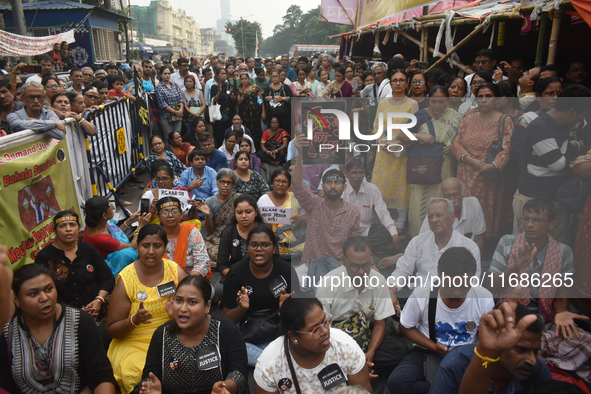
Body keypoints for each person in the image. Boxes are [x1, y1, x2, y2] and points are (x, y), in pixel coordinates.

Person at [387, 247, 494, 394]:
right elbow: (405, 326)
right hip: (428, 352)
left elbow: (486, 340)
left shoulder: (484, 298)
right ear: (439, 273)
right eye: (451, 285)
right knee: (398, 381)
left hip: (467, 355)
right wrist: (433, 346)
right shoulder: (423, 294)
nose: (457, 292)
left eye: (464, 286)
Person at [0, 264, 117, 393]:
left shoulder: (81, 322)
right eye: (33, 294)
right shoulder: (6, 334)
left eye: (49, 289)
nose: (44, 298)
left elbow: (101, 377)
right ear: (16, 299)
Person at [106, 224, 187, 393]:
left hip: (172, 336)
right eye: (145, 246)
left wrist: (175, 316)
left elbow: (196, 312)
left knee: (184, 367)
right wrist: (134, 320)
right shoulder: (127, 278)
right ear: (137, 247)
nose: (151, 252)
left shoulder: (175, 271)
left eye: (157, 246)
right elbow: (112, 330)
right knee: (136, 372)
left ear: (165, 247)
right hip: (134, 342)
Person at [487, 199, 584, 336]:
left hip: (545, 319)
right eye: (526, 219)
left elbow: (562, 293)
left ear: (551, 224)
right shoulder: (507, 242)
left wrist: (561, 314)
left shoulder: (564, 252)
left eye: (537, 220)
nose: (529, 225)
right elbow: (491, 286)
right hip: (510, 315)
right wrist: (516, 267)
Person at [138, 276, 248, 394]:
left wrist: (225, 387)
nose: (183, 308)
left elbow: (239, 373)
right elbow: (149, 377)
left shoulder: (226, 329)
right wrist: (150, 388)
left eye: (192, 302)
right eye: (179, 300)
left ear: (207, 306)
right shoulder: (162, 334)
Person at [317, 236, 405, 375]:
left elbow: (379, 323)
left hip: (366, 334)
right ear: (343, 261)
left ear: (372, 258)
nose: (361, 272)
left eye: (366, 265)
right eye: (355, 266)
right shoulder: (327, 284)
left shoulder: (379, 280)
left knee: (400, 351)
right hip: (337, 338)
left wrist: (371, 352)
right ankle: (359, 369)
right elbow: (324, 329)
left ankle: (359, 367)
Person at [514, 84, 591, 244]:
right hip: (535, 197)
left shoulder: (563, 124)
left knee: (557, 249)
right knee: (533, 250)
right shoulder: (540, 127)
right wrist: (582, 161)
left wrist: (576, 147)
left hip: (556, 197)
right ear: (572, 112)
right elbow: (557, 164)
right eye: (581, 115)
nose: (580, 120)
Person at [254, 296, 372, 393]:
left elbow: (363, 391)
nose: (325, 331)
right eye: (315, 329)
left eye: (325, 321)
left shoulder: (345, 347)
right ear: (294, 337)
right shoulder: (270, 365)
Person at [430, 301, 551, 394]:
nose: (532, 360)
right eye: (521, 350)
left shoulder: (539, 372)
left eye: (535, 351)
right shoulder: (455, 366)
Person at [383, 198, 481, 309]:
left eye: (439, 215)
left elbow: (473, 283)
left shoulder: (469, 247)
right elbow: (402, 271)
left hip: (454, 301)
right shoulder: (417, 242)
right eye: (430, 216)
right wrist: (390, 289)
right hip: (418, 298)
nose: (434, 220)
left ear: (452, 218)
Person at [223, 224, 292, 366]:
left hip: (277, 329)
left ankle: (267, 361)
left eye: (265, 245)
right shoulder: (235, 272)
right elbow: (228, 318)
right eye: (253, 245)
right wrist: (242, 308)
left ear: (274, 248)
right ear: (247, 248)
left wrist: (286, 307)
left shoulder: (286, 270)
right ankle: (278, 363)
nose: (259, 249)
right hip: (247, 332)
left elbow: (299, 315)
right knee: (227, 343)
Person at [453, 82, 514, 239]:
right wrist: (469, 159)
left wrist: (492, 166)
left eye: (489, 96)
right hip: (465, 172)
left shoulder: (505, 121)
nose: (484, 100)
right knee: (463, 207)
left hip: (488, 175)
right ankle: (460, 239)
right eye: (480, 97)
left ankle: (482, 243)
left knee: (483, 209)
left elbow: (506, 150)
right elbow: (456, 143)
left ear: (496, 99)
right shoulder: (468, 119)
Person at [292, 136, 361, 269]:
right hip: (310, 265)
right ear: (322, 187)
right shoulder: (314, 205)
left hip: (340, 267)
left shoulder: (352, 211)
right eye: (329, 182)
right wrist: (300, 154)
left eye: (337, 182)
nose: (333, 186)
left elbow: (355, 243)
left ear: (344, 187)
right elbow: (297, 185)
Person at [35, 210, 115, 319]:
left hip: (97, 305)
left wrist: (98, 300)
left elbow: (108, 278)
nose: (68, 229)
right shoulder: (45, 257)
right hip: (63, 312)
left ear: (79, 228)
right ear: (55, 231)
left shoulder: (88, 249)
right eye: (62, 226)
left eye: (72, 225)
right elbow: (44, 291)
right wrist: (75, 313)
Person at [406, 86, 462, 237]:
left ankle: (443, 239)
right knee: (420, 207)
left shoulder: (454, 116)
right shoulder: (421, 115)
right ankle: (419, 240)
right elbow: (401, 134)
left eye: (441, 102)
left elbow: (461, 138)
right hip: (424, 167)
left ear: (447, 101)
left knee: (442, 203)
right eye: (434, 101)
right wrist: (419, 136)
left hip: (445, 166)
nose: (437, 105)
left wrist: (454, 146)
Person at [371, 70, 419, 234]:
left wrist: (397, 143)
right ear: (390, 83)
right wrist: (380, 141)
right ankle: (382, 225)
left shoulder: (412, 104)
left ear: (407, 83)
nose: (398, 83)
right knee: (381, 187)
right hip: (383, 153)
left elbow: (412, 129)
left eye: (401, 80)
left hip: (401, 153)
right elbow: (376, 126)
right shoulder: (383, 103)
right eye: (394, 80)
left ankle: (400, 226)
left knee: (401, 187)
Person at [343, 159, 401, 253]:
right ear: (346, 174)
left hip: (367, 230)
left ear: (364, 173)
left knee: (388, 233)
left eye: (361, 173)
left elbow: (383, 213)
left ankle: (356, 247)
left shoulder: (372, 189)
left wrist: (395, 235)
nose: (358, 176)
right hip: (346, 232)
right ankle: (373, 248)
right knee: (338, 238)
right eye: (354, 173)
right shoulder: (341, 189)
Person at [83, 196, 150, 276]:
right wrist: (141, 226)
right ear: (104, 216)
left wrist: (129, 221)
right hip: (108, 266)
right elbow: (132, 246)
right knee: (127, 254)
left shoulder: (95, 224)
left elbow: (116, 232)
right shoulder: (101, 239)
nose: (113, 210)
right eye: (110, 209)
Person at [419, 177, 486, 253]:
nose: (452, 200)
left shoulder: (474, 205)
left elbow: (478, 238)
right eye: (448, 196)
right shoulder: (434, 212)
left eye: (455, 195)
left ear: (462, 194)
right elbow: (422, 240)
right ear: (442, 197)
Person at [217, 195, 264, 291]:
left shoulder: (265, 231)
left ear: (256, 212)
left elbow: (274, 258)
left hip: (261, 274)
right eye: (239, 212)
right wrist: (236, 277)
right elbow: (221, 265)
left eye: (248, 212)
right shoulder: (229, 233)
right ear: (234, 213)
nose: (243, 216)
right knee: (219, 289)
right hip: (236, 275)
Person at [156, 197, 211, 277]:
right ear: (158, 217)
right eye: (165, 212)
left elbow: (202, 261)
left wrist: (188, 282)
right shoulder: (155, 235)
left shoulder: (191, 231)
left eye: (174, 211)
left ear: (181, 214)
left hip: (192, 279)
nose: (170, 215)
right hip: (163, 281)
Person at [257, 169, 306, 257]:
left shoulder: (295, 198)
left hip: (296, 241)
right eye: (277, 181)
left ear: (288, 185)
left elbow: (308, 218)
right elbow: (261, 223)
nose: (280, 184)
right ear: (272, 183)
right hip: (270, 241)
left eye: (284, 182)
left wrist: (301, 219)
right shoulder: (263, 200)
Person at [200, 169, 240, 263]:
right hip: (216, 238)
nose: (225, 185)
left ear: (233, 185)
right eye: (222, 182)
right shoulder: (210, 201)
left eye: (229, 183)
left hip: (233, 237)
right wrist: (208, 216)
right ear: (217, 183)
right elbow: (210, 231)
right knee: (219, 256)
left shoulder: (238, 199)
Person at [155, 65, 184, 141]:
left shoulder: (175, 85)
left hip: (177, 115)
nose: (167, 75)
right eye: (165, 73)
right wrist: (175, 112)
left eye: (169, 73)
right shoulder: (159, 88)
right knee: (168, 137)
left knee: (177, 136)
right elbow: (162, 104)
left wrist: (180, 111)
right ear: (161, 75)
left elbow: (181, 99)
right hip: (165, 116)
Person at [210, 67, 235, 148]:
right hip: (219, 115)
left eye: (225, 74)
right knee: (219, 136)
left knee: (228, 134)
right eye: (222, 74)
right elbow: (213, 101)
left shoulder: (230, 86)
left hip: (229, 114)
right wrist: (219, 92)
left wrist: (231, 94)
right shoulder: (214, 87)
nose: (224, 76)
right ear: (217, 75)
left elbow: (234, 100)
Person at [237, 72, 264, 144]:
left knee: (257, 129)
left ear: (249, 79)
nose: (244, 80)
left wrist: (263, 112)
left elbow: (261, 101)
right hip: (245, 115)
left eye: (245, 78)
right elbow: (238, 104)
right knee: (247, 130)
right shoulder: (239, 90)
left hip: (256, 114)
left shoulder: (255, 88)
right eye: (242, 79)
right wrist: (243, 94)